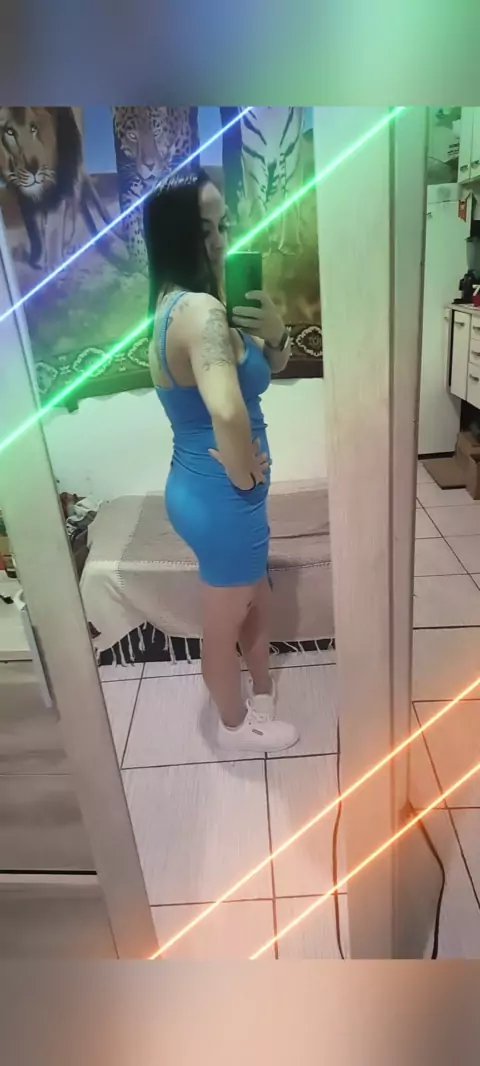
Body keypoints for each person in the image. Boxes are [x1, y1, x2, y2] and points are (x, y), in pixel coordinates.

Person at [143, 169, 299, 754]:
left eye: (223, 225)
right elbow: (228, 410)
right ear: (175, 236)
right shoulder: (201, 311)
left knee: (255, 593)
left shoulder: (180, 304)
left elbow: (266, 369)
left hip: (207, 489)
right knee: (224, 619)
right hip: (219, 495)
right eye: (202, 229)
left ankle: (262, 690)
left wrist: (276, 335)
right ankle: (236, 728)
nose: (218, 241)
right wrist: (243, 474)